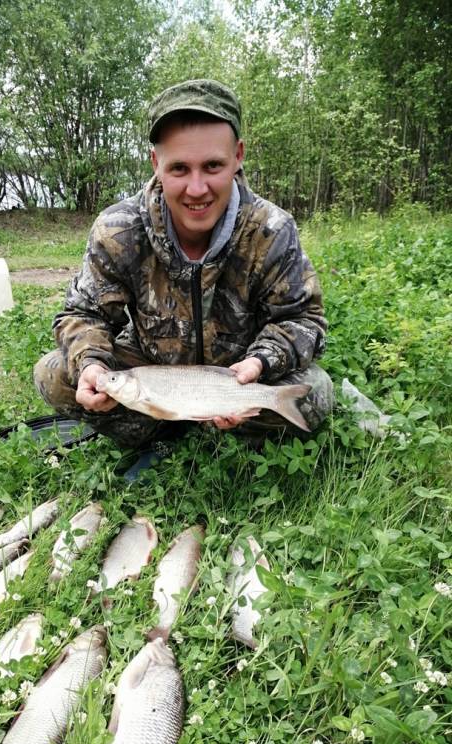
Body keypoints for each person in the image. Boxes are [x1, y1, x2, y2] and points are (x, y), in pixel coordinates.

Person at [34, 79, 333, 468]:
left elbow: (303, 319)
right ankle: (157, 425)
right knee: (55, 374)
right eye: (179, 168)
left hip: (235, 378)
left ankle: (224, 423)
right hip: (150, 370)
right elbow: (82, 315)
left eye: (213, 166)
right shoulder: (119, 228)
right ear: (156, 164)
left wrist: (259, 363)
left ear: (238, 156)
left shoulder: (271, 229)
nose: (197, 188)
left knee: (316, 394)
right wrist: (92, 364)